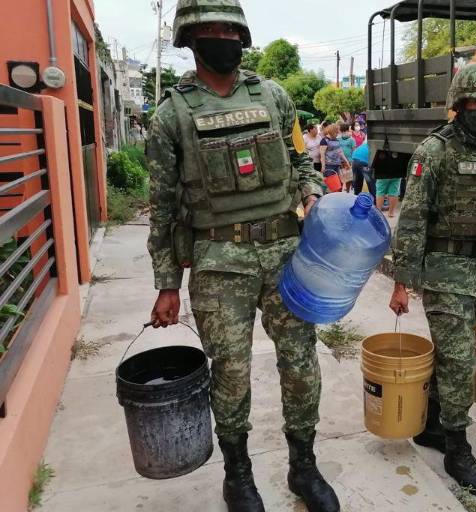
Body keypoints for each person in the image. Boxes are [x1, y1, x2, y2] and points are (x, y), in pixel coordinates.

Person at [146, 2, 340, 511]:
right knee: (230, 373)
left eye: (230, 30)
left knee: (301, 362)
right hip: (218, 260)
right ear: (190, 39)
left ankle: (304, 467)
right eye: (211, 30)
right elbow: (163, 207)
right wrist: (167, 283)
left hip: (284, 253)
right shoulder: (171, 115)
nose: (223, 37)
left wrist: (314, 193)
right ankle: (239, 475)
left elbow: (302, 161)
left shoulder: (273, 96)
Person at [388, 62, 476, 498]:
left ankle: (430, 426)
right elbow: (412, 220)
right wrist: (402, 281)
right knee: (460, 362)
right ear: (460, 105)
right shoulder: (434, 152)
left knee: (454, 356)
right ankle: (458, 449)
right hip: (444, 272)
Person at [319, 123, 349, 192]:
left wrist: (346, 161)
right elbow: (322, 154)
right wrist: (323, 166)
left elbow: (340, 152)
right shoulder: (324, 141)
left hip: (337, 165)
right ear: (332, 131)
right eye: (336, 132)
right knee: (333, 186)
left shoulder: (336, 140)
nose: (337, 134)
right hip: (329, 165)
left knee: (340, 185)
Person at [337, 123, 357, 192]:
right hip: (340, 161)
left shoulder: (351, 139)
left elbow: (354, 150)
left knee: (348, 177)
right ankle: (342, 190)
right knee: (341, 176)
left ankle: (347, 191)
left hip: (349, 161)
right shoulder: (338, 138)